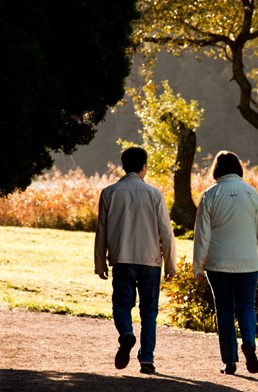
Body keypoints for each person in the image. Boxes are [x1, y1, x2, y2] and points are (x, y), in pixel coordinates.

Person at [94, 146, 176, 375]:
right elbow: (166, 234)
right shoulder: (154, 193)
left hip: (122, 258)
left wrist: (100, 263)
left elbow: (102, 230)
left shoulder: (109, 192)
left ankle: (126, 334)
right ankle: (147, 358)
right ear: (144, 167)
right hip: (151, 260)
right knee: (149, 311)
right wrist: (170, 264)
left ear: (123, 166)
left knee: (122, 304)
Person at [193, 151, 258, 375]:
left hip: (218, 264)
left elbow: (202, 235)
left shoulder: (210, 195)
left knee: (224, 310)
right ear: (238, 168)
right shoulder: (252, 193)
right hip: (248, 263)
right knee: (246, 306)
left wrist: (198, 266)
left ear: (216, 169)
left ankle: (230, 361)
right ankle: (249, 343)